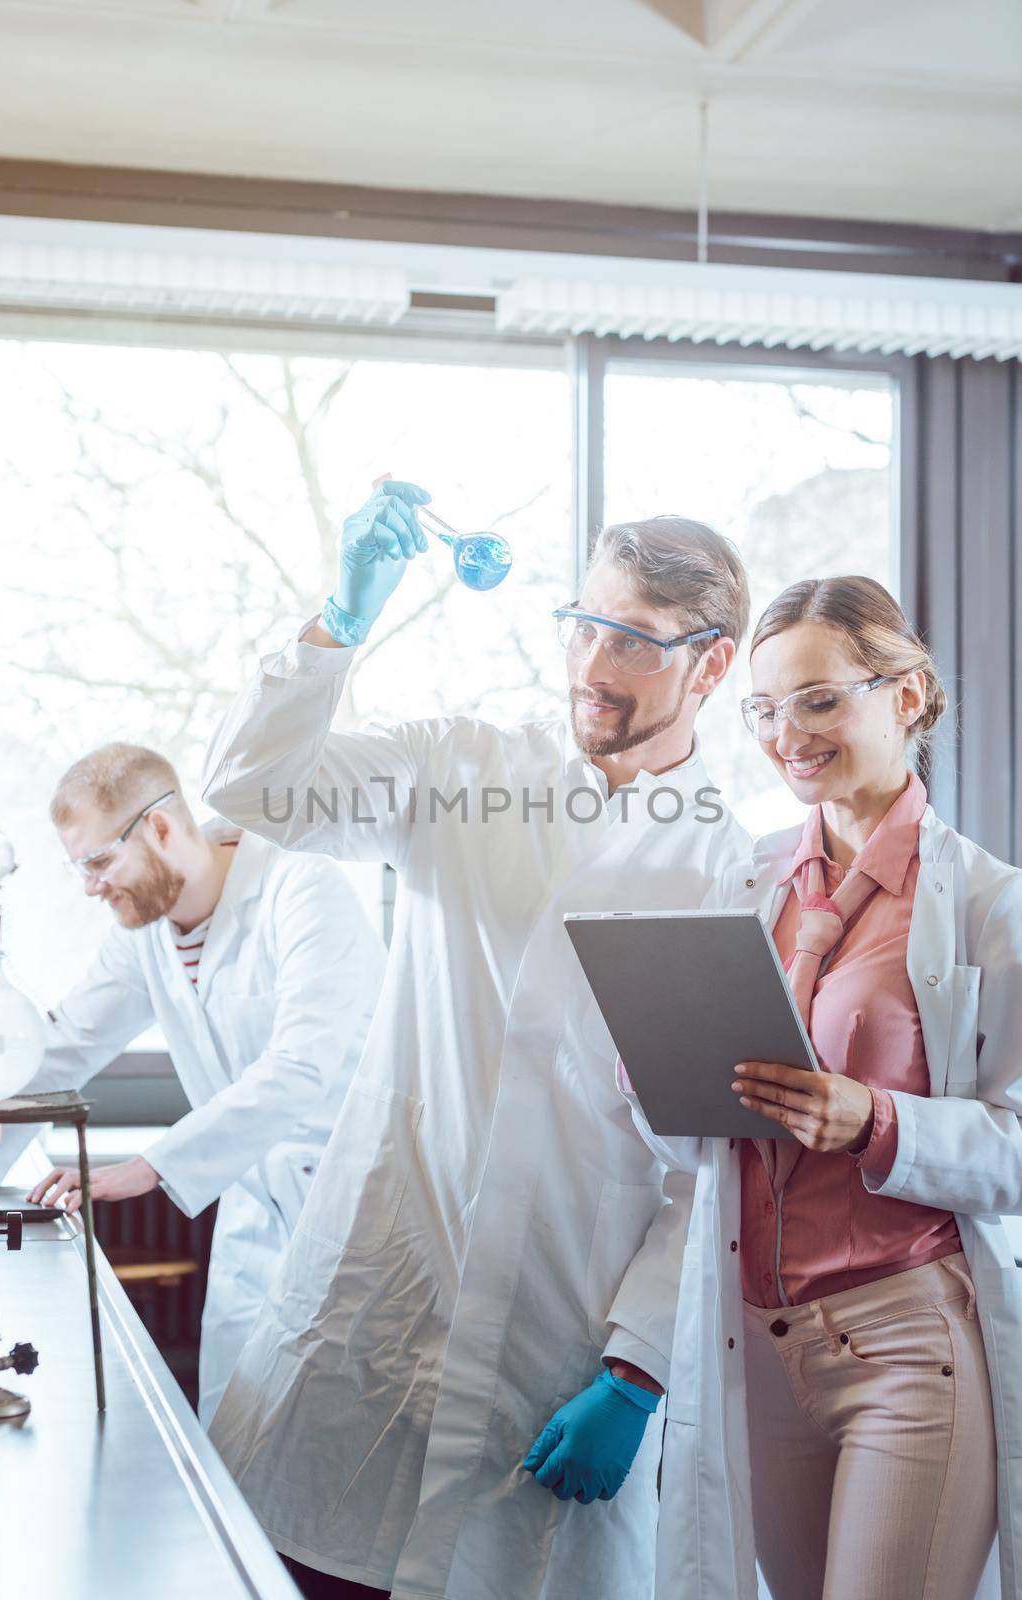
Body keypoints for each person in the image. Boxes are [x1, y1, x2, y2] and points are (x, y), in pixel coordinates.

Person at [200, 479, 752, 1600]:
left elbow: (711, 1163)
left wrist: (636, 1370)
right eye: (583, 624)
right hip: (370, 1310)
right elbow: (254, 785)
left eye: (634, 642)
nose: (592, 666)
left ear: (712, 664)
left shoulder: (721, 871)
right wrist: (338, 620)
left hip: (549, 1355)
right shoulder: (461, 769)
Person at [620, 576, 1022, 1600]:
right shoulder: (746, 882)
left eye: (817, 699)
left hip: (903, 1342)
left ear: (909, 696)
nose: (785, 734)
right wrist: (658, 1078)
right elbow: (706, 1150)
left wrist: (874, 1120)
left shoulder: (987, 904)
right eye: (762, 707)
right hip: (756, 1345)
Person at [0, 742, 385, 1426]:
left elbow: (301, 1067)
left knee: (342, 1454)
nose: (90, 886)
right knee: (237, 1437)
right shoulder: (144, 934)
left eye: (99, 861)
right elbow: (61, 1053)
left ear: (161, 827)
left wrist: (147, 1167)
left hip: (356, 1215)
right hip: (256, 1213)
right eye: (78, 867)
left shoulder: (301, 888)